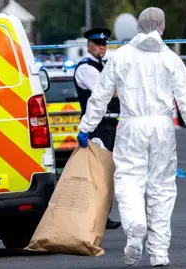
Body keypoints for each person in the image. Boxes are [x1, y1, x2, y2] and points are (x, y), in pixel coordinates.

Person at [76, 7, 186, 267]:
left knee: (128, 180)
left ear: (137, 27)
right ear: (162, 27)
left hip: (131, 125)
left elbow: (101, 95)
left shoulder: (121, 56)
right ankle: (159, 252)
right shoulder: (171, 59)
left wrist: (85, 127)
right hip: (162, 127)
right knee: (161, 188)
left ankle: (135, 225)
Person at [73, 27, 122, 230]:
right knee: (98, 174)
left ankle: (102, 214)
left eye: (104, 44)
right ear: (89, 45)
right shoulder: (86, 68)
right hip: (97, 126)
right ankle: (95, 216)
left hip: (110, 124)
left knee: (108, 173)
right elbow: (105, 93)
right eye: (97, 44)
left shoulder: (104, 66)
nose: (101, 48)